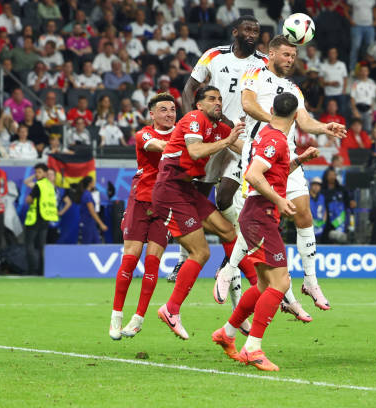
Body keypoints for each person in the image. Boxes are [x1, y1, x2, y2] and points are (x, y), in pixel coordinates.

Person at [215, 36, 347, 320]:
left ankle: (310, 281)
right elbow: (248, 104)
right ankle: (229, 270)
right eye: (285, 54)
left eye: (293, 56)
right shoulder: (255, 73)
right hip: (260, 153)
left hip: (287, 155)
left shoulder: (293, 88)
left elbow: (304, 120)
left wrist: (326, 128)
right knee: (255, 213)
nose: (289, 60)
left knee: (304, 215)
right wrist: (275, 121)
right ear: (272, 53)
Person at [211, 92, 320, 371]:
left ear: (271, 110)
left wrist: (299, 160)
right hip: (261, 216)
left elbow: (272, 173)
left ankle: (228, 332)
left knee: (262, 286)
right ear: (296, 116)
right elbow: (253, 175)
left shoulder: (267, 134)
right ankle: (253, 348)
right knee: (280, 283)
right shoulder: (275, 140)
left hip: (258, 216)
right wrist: (280, 200)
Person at [170, 16, 268, 291]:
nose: (252, 34)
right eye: (247, 29)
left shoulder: (263, 63)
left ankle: (230, 260)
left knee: (225, 194)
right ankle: (184, 257)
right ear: (235, 32)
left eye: (256, 31)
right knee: (196, 197)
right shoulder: (214, 56)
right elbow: (190, 88)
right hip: (213, 136)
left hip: (242, 139)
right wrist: (196, 119)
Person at [153, 86, 253, 340]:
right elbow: (196, 151)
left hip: (186, 190)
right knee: (201, 252)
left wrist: (277, 161)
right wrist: (228, 141)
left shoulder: (217, 128)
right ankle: (171, 309)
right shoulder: (194, 119)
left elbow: (244, 150)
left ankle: (257, 284)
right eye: (211, 99)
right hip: (169, 190)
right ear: (198, 105)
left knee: (228, 231)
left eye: (220, 99)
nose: (217, 102)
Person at [109, 93, 177, 340]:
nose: (169, 113)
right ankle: (116, 315)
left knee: (153, 262)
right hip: (140, 200)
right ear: (152, 114)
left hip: (166, 205)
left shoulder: (182, 133)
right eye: (163, 109)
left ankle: (137, 319)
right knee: (129, 259)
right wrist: (188, 144)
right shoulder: (144, 134)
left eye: (172, 109)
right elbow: (160, 147)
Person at [24, 164, 59, 275]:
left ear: (45, 173)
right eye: (36, 172)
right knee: (42, 246)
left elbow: (29, 199)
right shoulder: (50, 186)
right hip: (46, 218)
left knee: (29, 245)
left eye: (39, 172)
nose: (37, 174)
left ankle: (31, 270)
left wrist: (28, 200)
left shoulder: (38, 185)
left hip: (35, 218)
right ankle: (42, 270)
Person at [76, 176, 107, 244]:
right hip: (87, 224)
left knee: (97, 243)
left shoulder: (87, 194)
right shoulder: (87, 195)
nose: (94, 183)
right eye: (93, 182)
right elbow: (92, 211)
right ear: (90, 184)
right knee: (87, 245)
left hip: (91, 223)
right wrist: (101, 224)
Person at [350, 64, 376, 133]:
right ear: (360, 72)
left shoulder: (372, 83)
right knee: (356, 131)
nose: (364, 73)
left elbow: (373, 98)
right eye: (362, 71)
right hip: (358, 110)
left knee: (368, 131)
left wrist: (372, 112)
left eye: (365, 71)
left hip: (368, 110)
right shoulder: (356, 83)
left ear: (368, 72)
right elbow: (352, 98)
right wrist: (355, 111)